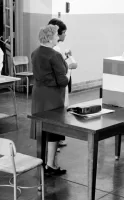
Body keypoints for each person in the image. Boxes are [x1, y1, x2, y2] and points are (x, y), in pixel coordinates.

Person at [30, 24, 70, 175]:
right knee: (53, 129)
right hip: (52, 96)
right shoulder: (54, 55)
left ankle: (41, 162)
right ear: (49, 38)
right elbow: (62, 80)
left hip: (38, 94)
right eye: (55, 35)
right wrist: (66, 78)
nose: (57, 38)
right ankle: (51, 164)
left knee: (41, 128)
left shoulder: (35, 53)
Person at [48, 18, 77, 150]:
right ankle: (55, 141)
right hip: (59, 85)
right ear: (57, 34)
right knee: (59, 112)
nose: (65, 35)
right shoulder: (54, 49)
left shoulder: (55, 49)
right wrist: (69, 65)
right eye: (64, 32)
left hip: (57, 84)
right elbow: (61, 69)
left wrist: (66, 59)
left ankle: (57, 139)